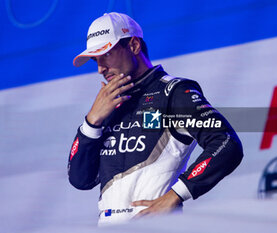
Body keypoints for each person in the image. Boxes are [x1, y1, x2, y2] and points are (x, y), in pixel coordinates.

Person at [68, 12, 243, 226]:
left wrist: (175, 195)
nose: (100, 68)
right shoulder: (107, 105)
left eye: (106, 54)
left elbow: (226, 143)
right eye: (95, 60)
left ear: (133, 45)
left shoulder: (173, 92)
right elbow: (80, 180)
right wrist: (91, 122)